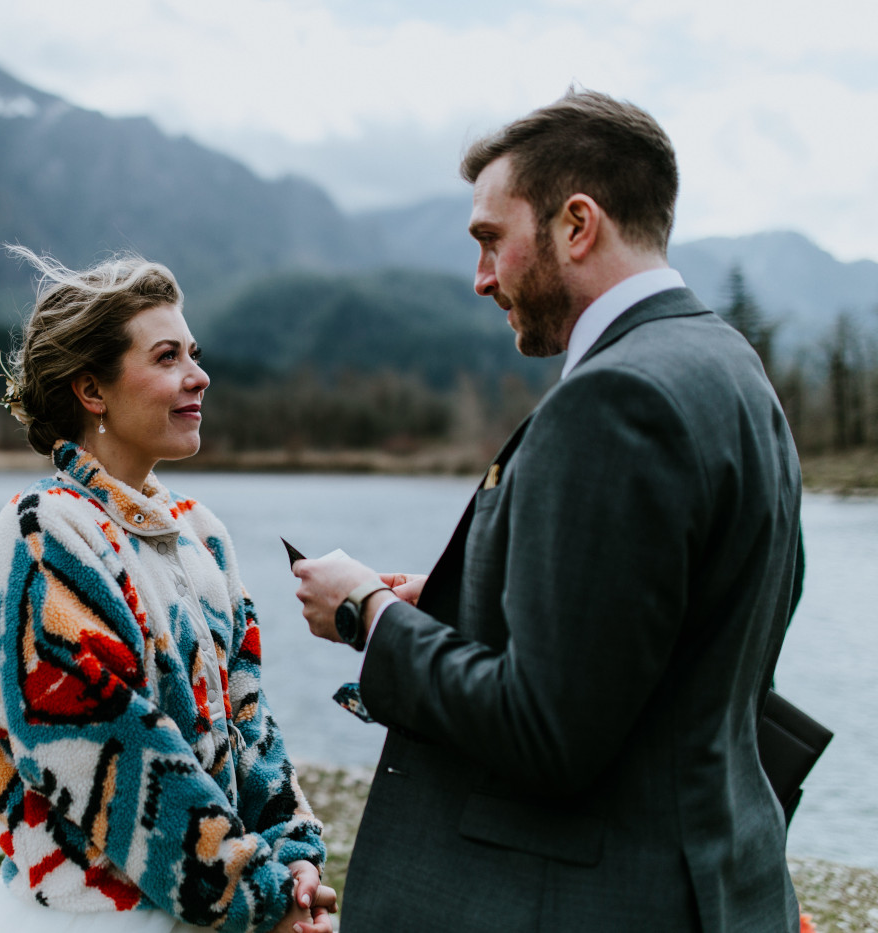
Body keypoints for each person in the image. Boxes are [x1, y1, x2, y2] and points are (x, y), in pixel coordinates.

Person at [293, 89, 804, 932]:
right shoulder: (729, 364)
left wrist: (370, 616)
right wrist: (459, 605)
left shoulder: (612, 401)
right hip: (720, 884)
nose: (481, 276)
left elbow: (547, 731)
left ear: (576, 224)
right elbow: (669, 644)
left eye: (493, 239)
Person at [0, 247, 335, 933]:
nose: (200, 375)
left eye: (194, 352)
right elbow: (107, 753)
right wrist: (258, 897)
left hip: (209, 900)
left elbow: (251, 718)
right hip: (97, 909)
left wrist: (295, 858)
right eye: (166, 358)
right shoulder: (45, 533)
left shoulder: (202, 534)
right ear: (92, 391)